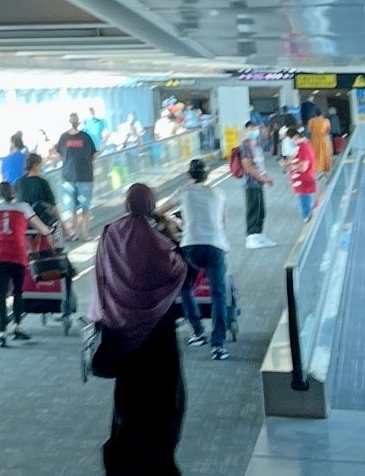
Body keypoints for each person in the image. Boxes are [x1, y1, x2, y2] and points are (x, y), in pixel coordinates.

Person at [89, 183, 188, 474]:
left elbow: (102, 274)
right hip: (158, 337)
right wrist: (169, 234)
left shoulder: (110, 233)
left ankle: (124, 463)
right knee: (163, 403)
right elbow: (179, 271)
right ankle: (157, 464)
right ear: (150, 203)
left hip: (122, 334)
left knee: (128, 404)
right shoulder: (156, 240)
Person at [175, 158, 232, 360]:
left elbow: (160, 210)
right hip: (215, 245)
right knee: (218, 294)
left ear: (190, 175)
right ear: (207, 176)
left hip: (190, 246)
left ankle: (198, 331)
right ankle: (218, 345)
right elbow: (221, 221)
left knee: (185, 287)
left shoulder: (183, 192)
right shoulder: (219, 193)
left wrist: (179, 222)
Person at [0, 180, 33, 347]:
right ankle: (18, 327)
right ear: (13, 193)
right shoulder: (23, 207)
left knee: (0, 296)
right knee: (18, 292)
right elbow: (41, 227)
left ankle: (1, 334)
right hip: (17, 254)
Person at [55, 113, 98, 238]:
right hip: (85, 177)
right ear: (78, 122)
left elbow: (59, 156)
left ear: (69, 122)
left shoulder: (63, 137)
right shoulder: (85, 137)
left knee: (71, 208)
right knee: (85, 208)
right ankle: (85, 233)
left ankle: (74, 234)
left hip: (68, 177)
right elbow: (93, 155)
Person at [235, 130, 275, 248]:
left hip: (258, 183)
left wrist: (265, 177)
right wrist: (261, 178)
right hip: (250, 183)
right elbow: (247, 165)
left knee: (260, 210)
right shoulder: (245, 146)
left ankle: (259, 235)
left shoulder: (256, 146)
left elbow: (259, 164)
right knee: (253, 209)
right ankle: (251, 237)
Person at [16, 152, 61, 240]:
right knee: (55, 214)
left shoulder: (20, 182)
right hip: (43, 220)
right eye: (41, 164)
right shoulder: (42, 182)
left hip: (25, 221)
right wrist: (61, 222)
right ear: (36, 165)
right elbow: (53, 206)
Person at [284, 129, 319, 220]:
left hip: (304, 184)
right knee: (307, 208)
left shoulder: (303, 147)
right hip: (303, 184)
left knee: (307, 213)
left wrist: (292, 166)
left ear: (295, 137)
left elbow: (303, 167)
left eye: (289, 139)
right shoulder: (304, 146)